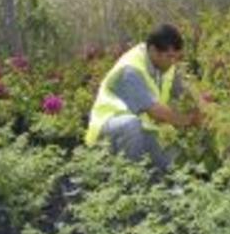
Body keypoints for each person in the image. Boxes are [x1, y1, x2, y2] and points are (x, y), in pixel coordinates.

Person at [85, 24, 201, 171]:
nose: (173, 62)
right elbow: (156, 111)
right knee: (131, 125)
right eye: (169, 57)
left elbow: (185, 90)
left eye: (176, 57)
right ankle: (129, 178)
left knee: (174, 164)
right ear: (153, 50)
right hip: (108, 128)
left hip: (142, 129)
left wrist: (204, 107)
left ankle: (151, 180)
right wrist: (188, 120)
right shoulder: (131, 69)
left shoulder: (165, 65)